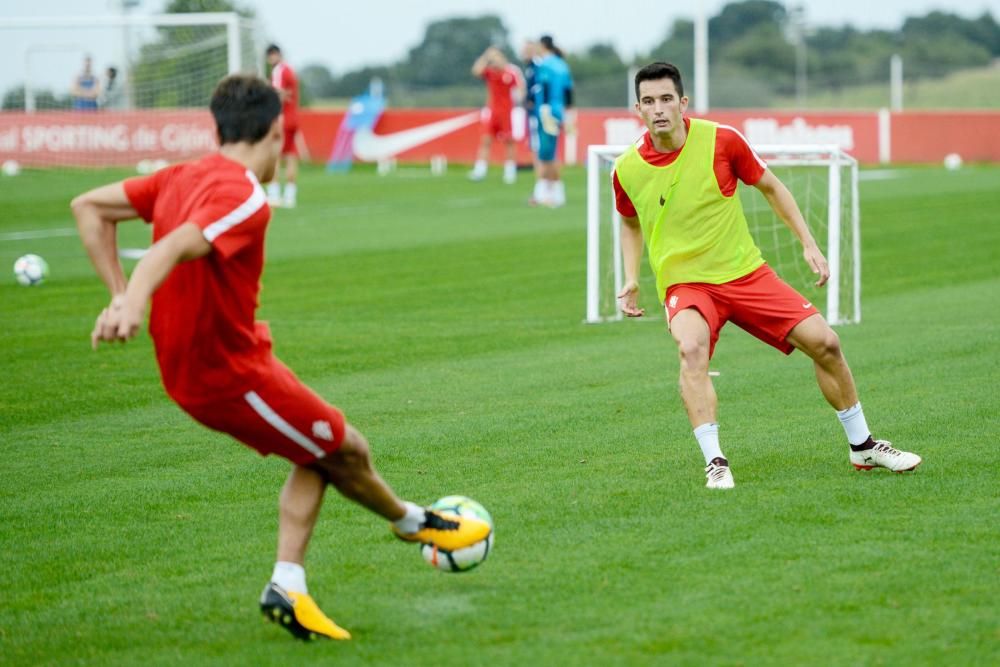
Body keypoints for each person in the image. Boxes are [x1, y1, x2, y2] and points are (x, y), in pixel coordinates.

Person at [70, 74, 491, 640]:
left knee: (323, 449)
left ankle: (289, 584)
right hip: (223, 374)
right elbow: (171, 245)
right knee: (345, 448)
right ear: (274, 131)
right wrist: (132, 300)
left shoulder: (180, 175)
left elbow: (88, 207)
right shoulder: (243, 193)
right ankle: (413, 523)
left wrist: (119, 293)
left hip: (239, 357)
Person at [613, 62, 921, 489]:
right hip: (686, 283)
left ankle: (863, 446)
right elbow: (628, 221)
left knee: (826, 343)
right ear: (638, 109)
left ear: (683, 103)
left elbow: (771, 186)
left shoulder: (722, 141)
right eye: (649, 101)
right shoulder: (627, 167)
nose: (659, 108)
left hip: (744, 273)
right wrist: (631, 276)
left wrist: (809, 243)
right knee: (690, 349)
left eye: (667, 99)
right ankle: (715, 462)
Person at [469, 46, 525, 185]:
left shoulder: (511, 73)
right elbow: (476, 71)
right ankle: (480, 170)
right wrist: (486, 55)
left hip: (507, 112)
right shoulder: (490, 72)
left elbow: (520, 89)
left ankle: (510, 171)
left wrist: (519, 103)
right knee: (486, 140)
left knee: (510, 142)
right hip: (492, 111)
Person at [530, 35, 574, 208]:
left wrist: (544, 108)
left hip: (547, 111)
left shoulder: (545, 64)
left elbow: (545, 86)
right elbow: (568, 91)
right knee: (551, 151)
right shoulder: (562, 65)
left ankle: (549, 193)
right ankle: (550, 192)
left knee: (546, 153)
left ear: (542, 46)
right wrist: (568, 112)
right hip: (560, 111)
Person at [265, 44, 300, 207]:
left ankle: (274, 193)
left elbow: (277, 93)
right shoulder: (290, 70)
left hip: (283, 118)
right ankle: (290, 196)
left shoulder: (278, 71)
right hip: (294, 117)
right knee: (291, 156)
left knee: (275, 155)